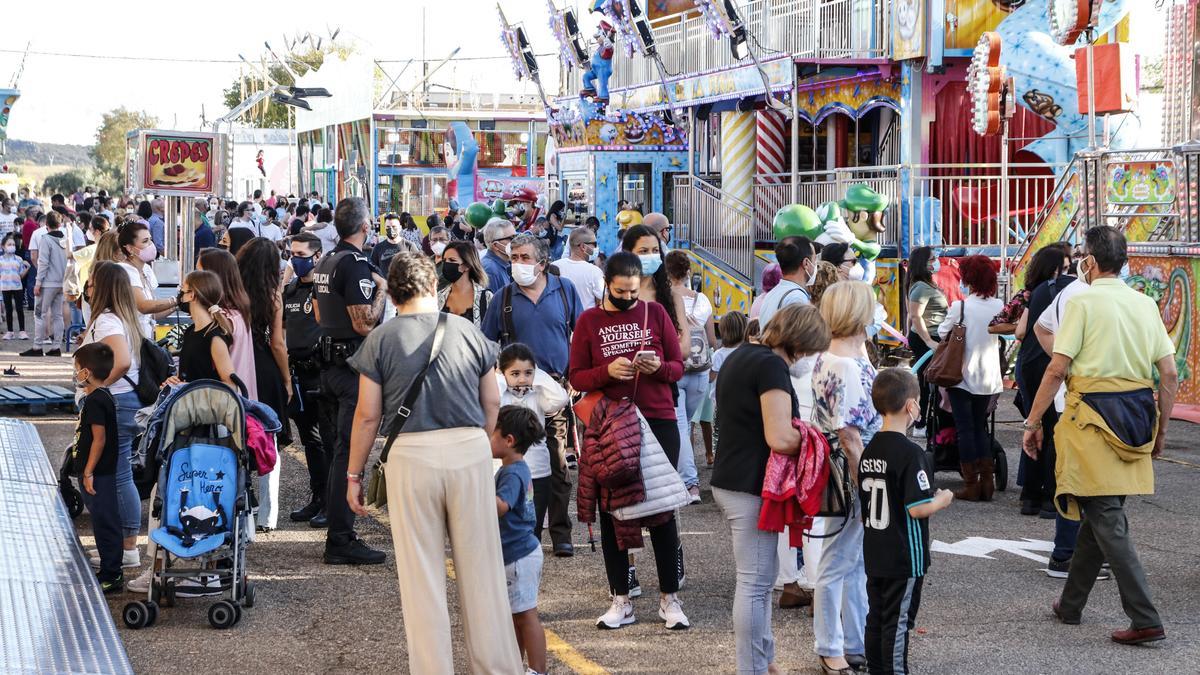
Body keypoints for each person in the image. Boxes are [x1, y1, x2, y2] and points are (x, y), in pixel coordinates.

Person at [345, 250, 523, 672]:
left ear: (392, 290)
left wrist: (354, 474)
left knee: (421, 574)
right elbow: (491, 401)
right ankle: (498, 666)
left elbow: (368, 415)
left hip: (411, 453)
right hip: (468, 450)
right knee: (482, 570)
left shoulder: (381, 339)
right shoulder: (467, 331)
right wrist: (477, 444)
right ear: (431, 286)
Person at [1023, 227, 1176, 646]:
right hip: (1136, 418)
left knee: (1106, 515)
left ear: (1090, 261)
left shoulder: (1083, 301)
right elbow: (1169, 372)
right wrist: (1161, 429)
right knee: (1099, 511)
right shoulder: (1145, 303)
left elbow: (1056, 368)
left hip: (1090, 418)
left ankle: (1145, 616)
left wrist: (1032, 423)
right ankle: (1070, 604)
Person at [569, 251, 688, 630]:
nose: (629, 299)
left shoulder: (655, 314)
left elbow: (678, 368)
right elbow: (577, 378)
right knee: (612, 512)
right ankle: (621, 597)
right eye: (621, 292)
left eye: (634, 292)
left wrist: (658, 368)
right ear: (607, 284)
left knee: (663, 510)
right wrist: (606, 371)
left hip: (657, 419)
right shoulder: (589, 321)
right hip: (610, 424)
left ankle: (670, 598)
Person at [712, 303, 831, 674]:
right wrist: (816, 440)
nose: (809, 358)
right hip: (749, 485)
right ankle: (752, 668)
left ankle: (762, 661)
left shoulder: (742, 355)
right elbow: (779, 436)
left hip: (732, 479)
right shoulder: (771, 366)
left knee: (759, 581)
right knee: (755, 583)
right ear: (799, 341)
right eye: (811, 349)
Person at [483, 233, 582, 558]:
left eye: (525, 258)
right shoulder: (504, 297)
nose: (518, 264)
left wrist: (576, 379)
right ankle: (528, 528)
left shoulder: (565, 291)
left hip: (554, 392)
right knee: (518, 462)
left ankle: (560, 532)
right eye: (514, 257)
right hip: (515, 396)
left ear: (542, 263)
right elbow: (487, 345)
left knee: (556, 461)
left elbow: (579, 336)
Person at [860, 368, 954, 675]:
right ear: (911, 406)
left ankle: (876, 669)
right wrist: (942, 498)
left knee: (876, 617)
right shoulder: (911, 454)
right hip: (904, 554)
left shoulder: (870, 449)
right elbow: (917, 508)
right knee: (898, 623)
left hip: (875, 548)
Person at [313, 197, 389, 566]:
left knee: (339, 452)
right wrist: (382, 291)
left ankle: (338, 531)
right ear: (364, 227)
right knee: (349, 453)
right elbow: (364, 323)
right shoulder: (356, 265)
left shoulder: (327, 260)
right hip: (349, 368)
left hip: (329, 364)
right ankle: (340, 538)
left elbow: (316, 310)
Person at [811, 281, 882, 675]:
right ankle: (830, 645)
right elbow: (850, 435)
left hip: (843, 469)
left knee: (851, 561)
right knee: (839, 561)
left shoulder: (838, 357)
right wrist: (865, 486)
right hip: (850, 472)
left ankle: (854, 641)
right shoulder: (846, 364)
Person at [79, 261, 146, 571]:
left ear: (103, 287)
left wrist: (97, 388)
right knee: (121, 472)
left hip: (116, 402)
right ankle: (125, 543)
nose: (87, 289)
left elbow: (120, 359)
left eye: (91, 283)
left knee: (118, 475)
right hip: (121, 401)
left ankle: (128, 546)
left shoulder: (107, 322)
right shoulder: (121, 318)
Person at [1012, 244, 1073, 518]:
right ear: (1056, 268)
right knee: (1052, 430)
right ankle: (1050, 497)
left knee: (1032, 423)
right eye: (1067, 267)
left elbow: (1022, 331)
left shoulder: (1034, 293)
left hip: (1028, 365)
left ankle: (1029, 496)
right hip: (1052, 361)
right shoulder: (1070, 290)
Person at [937, 255, 1003, 502]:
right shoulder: (998, 306)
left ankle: (971, 485)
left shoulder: (960, 307)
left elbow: (943, 332)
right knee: (980, 428)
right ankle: (988, 482)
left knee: (964, 430)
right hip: (989, 378)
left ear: (969, 279)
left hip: (962, 376)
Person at [237, 238, 292, 532]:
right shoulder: (273, 296)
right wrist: (286, 379)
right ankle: (267, 516)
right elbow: (278, 343)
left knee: (237, 436)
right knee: (268, 438)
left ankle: (242, 508)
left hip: (235, 365)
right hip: (265, 368)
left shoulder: (230, 292)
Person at [283, 232, 336, 527]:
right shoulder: (290, 291)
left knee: (328, 441)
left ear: (317, 257)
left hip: (321, 373)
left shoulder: (325, 291)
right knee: (310, 442)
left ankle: (331, 503)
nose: (295, 259)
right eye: (292, 254)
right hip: (298, 373)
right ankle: (318, 497)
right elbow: (279, 329)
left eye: (301, 255)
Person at [492, 405, 550, 675]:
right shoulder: (517, 468)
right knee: (516, 617)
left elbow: (501, 506)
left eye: (491, 434)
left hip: (518, 556)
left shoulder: (512, 472)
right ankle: (516, 665)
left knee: (526, 616)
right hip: (519, 553)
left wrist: (473, 489)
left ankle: (537, 670)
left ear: (509, 440)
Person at [497, 343, 569, 546]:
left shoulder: (538, 395)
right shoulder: (500, 396)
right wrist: (501, 379)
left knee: (533, 525)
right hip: (505, 472)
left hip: (537, 473)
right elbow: (491, 400)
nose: (522, 379)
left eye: (528, 372)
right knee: (505, 524)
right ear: (503, 374)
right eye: (515, 373)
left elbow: (560, 399)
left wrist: (538, 375)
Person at [72, 342, 124, 593]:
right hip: (101, 472)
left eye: (77, 368)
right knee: (103, 520)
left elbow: (99, 439)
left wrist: (88, 471)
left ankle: (112, 573)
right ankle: (108, 569)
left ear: (87, 372)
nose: (75, 372)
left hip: (99, 473)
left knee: (105, 522)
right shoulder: (103, 396)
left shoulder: (95, 401)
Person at [665, 250, 715, 503]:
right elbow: (713, 339)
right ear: (687, 273)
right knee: (684, 427)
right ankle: (687, 480)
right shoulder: (702, 300)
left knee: (682, 428)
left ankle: (689, 484)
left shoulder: (665, 300)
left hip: (675, 368)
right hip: (700, 372)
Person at [170, 270, 236, 386]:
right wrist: (174, 381)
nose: (180, 295)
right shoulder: (190, 331)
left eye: (182, 290)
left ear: (192, 295)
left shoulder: (215, 337)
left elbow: (230, 385)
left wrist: (191, 388)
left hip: (203, 403)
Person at [906, 246, 947, 433]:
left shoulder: (925, 284)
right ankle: (921, 423)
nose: (935, 262)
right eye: (931, 259)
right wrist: (929, 341)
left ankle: (927, 421)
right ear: (923, 263)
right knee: (926, 381)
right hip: (927, 339)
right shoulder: (921, 287)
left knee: (930, 380)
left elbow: (911, 316)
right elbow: (915, 316)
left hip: (930, 337)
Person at [117, 221, 178, 340]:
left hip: (146, 338)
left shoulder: (146, 269)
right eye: (145, 241)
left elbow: (151, 314)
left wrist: (177, 306)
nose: (151, 244)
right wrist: (175, 300)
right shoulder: (125, 271)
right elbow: (144, 307)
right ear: (129, 248)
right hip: (128, 337)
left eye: (150, 239)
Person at [24, 210, 68, 357]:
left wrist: (37, 283)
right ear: (60, 224)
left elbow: (43, 263)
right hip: (61, 282)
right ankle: (56, 346)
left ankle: (37, 346)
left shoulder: (45, 239)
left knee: (40, 314)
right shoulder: (65, 239)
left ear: (46, 224)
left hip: (47, 283)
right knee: (58, 315)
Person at [757, 236, 818, 326]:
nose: (816, 264)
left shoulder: (772, 294)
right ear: (806, 263)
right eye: (814, 259)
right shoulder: (796, 298)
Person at [437, 241, 493, 329]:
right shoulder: (439, 297)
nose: (446, 264)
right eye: (444, 260)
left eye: (452, 260)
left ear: (467, 265)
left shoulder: (486, 298)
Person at [555, 227, 604, 310]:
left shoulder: (555, 266)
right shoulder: (594, 271)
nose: (596, 248)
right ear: (583, 246)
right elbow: (602, 301)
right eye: (594, 244)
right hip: (586, 321)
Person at [0, 233, 30, 339]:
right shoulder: (1, 260)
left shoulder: (19, 259)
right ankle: (10, 331)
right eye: (9, 244)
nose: (12, 246)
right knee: (8, 310)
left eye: (13, 244)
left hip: (17, 287)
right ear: (3, 246)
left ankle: (22, 331)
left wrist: (27, 268)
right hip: (5, 287)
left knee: (19, 309)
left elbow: (21, 275)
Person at [481, 217, 517, 294]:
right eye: (511, 238)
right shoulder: (490, 270)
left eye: (516, 236)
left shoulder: (507, 262)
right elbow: (492, 304)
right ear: (495, 245)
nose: (516, 241)